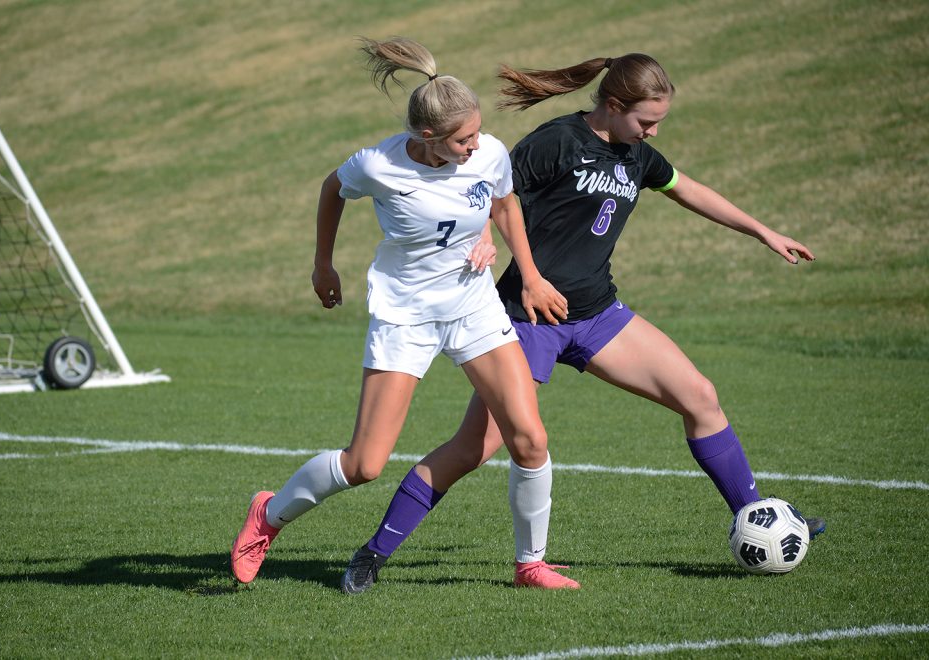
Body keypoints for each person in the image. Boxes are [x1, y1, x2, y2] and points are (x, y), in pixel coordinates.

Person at [339, 52, 826, 594]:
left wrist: (762, 231)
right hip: (526, 321)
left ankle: (757, 519)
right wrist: (482, 239)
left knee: (701, 397)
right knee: (473, 448)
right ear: (613, 106)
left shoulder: (637, 155)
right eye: (645, 120)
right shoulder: (558, 141)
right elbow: (493, 193)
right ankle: (372, 553)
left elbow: (687, 189)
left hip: (597, 315)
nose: (653, 131)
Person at [231, 36, 579, 593]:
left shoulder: (488, 152)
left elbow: (503, 202)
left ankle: (530, 565)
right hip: (405, 316)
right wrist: (323, 265)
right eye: (462, 139)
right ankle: (267, 518)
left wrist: (528, 272)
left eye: (477, 132)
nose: (476, 145)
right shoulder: (378, 165)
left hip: (473, 306)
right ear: (427, 137)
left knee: (529, 440)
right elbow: (332, 189)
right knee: (364, 464)